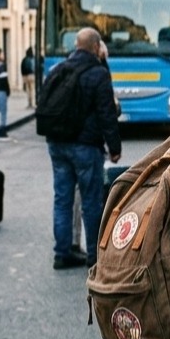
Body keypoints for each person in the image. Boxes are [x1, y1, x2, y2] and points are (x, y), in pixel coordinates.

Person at [46, 28, 121, 270]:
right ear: (97, 47)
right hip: (86, 146)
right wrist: (114, 146)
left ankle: (62, 252)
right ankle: (94, 256)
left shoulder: (58, 69)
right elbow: (107, 112)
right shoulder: (98, 73)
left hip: (57, 143)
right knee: (91, 201)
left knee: (62, 199)